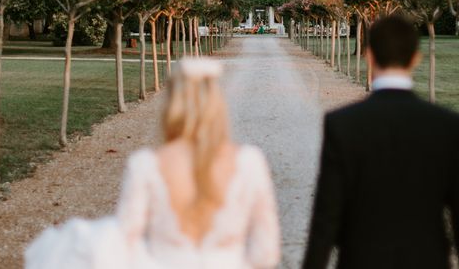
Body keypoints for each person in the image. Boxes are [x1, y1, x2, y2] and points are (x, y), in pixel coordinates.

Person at [26, 58, 281, 269]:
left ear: (171, 104)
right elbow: (266, 253)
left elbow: (124, 242)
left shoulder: (146, 165)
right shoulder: (250, 162)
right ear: (218, 105)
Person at [302, 13, 459, 269]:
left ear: (369, 55)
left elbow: (326, 218)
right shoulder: (447, 125)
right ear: (415, 58)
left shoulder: (342, 124)